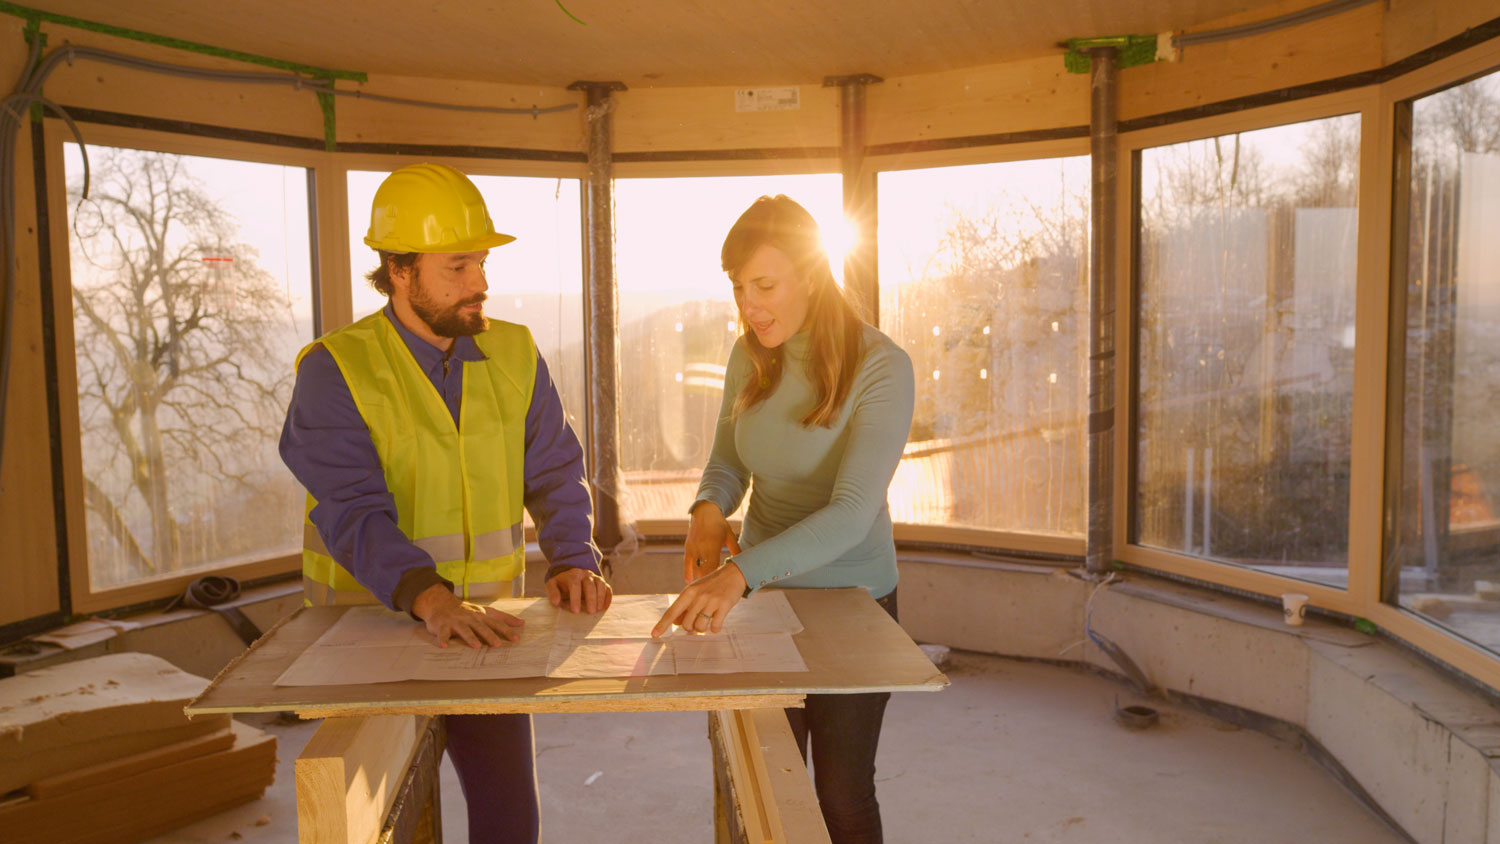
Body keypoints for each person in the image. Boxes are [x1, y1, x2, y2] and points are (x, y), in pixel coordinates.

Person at [279, 162, 611, 844]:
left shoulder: (514, 353)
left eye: (481, 263)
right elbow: (351, 507)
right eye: (458, 266)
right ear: (399, 270)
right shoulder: (333, 369)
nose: (480, 284)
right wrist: (431, 600)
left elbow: (553, 468)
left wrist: (572, 556)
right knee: (387, 822)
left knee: (511, 824)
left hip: (486, 635)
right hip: (369, 637)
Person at [651, 194, 916, 844]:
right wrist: (710, 512)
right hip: (764, 597)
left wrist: (737, 574)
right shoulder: (752, 354)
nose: (750, 305)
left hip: (853, 601)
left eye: (764, 285)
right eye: (740, 287)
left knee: (840, 794)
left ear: (813, 273)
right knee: (765, 777)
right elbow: (727, 461)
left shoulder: (883, 366)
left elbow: (853, 514)